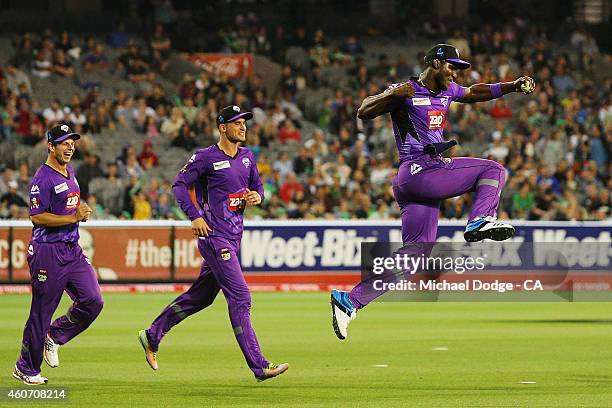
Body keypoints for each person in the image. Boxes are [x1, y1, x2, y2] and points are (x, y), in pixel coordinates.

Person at [331, 44, 536, 340]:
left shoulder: (448, 90)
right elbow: (363, 110)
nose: (455, 74)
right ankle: (480, 220)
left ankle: (350, 301)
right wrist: (390, 95)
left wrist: (511, 87)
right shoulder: (406, 90)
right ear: (437, 64)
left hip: (415, 185)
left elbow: (474, 93)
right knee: (493, 170)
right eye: (452, 67)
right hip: (420, 171)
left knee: (414, 256)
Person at [138, 105, 289, 382]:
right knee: (241, 297)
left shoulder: (247, 158)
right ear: (222, 127)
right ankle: (260, 366)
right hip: (214, 237)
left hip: (233, 237)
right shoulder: (205, 157)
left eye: (245, 122)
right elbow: (179, 185)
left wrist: (257, 197)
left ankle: (152, 334)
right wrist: (194, 216)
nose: (243, 127)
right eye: (237, 123)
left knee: (202, 297)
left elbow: (258, 187)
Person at [13, 124, 102, 385]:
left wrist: (76, 216)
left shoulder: (69, 171)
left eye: (72, 142)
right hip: (47, 252)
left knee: (93, 300)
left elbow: (67, 208)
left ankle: (54, 336)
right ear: (50, 146)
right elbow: (37, 216)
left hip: (71, 249)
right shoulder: (42, 178)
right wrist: (73, 216)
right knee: (42, 311)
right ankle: (25, 368)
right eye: (64, 142)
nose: (70, 146)